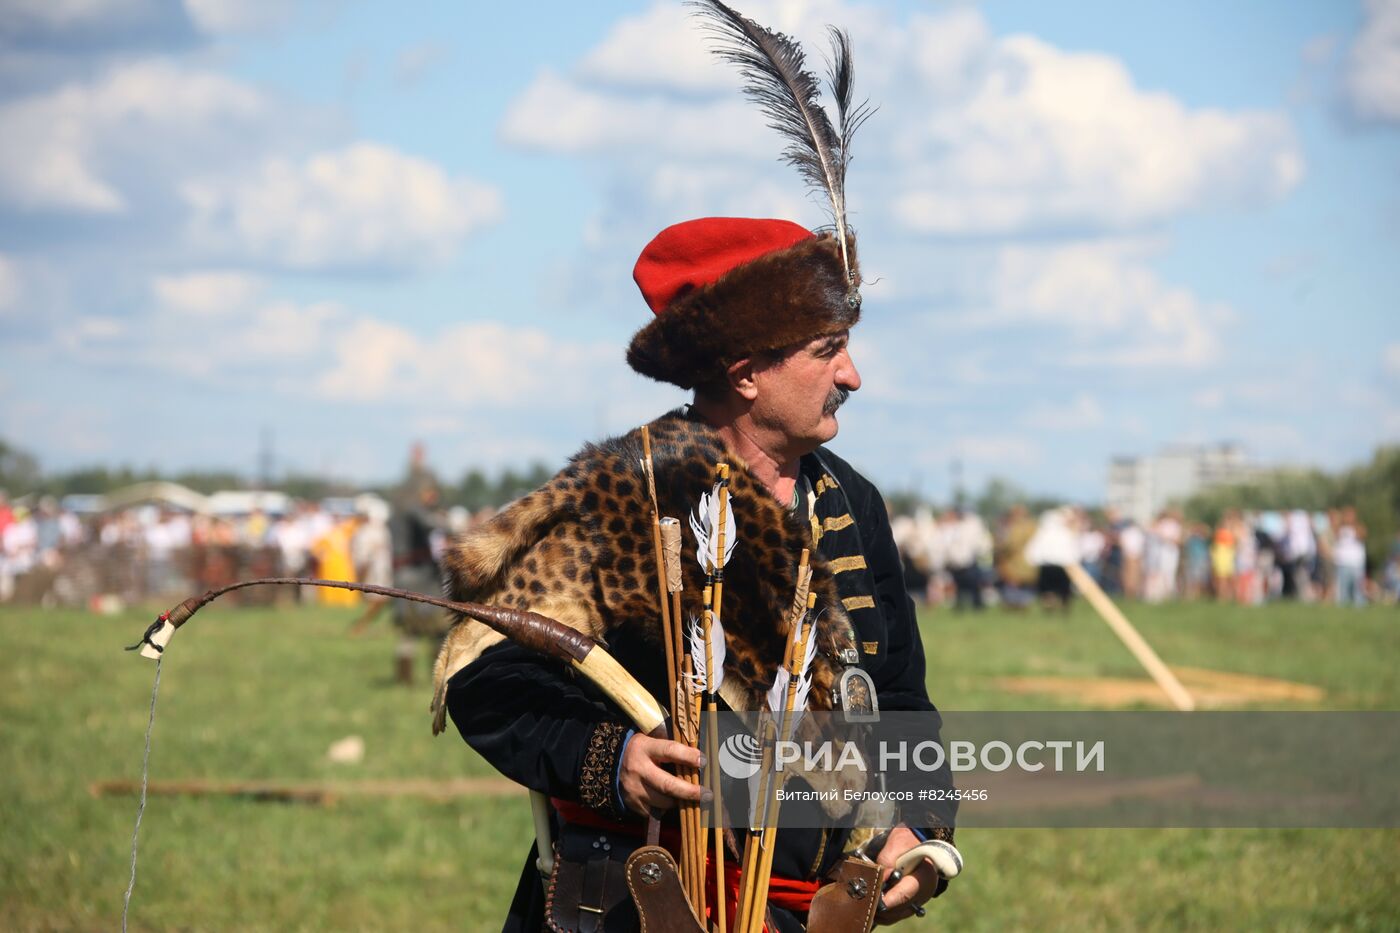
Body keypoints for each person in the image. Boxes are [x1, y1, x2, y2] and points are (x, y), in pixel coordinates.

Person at [433, 215, 955, 931]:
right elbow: (487, 682)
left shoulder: (849, 501)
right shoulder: (622, 493)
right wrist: (613, 760)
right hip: (634, 907)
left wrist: (922, 833)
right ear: (745, 373)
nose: (851, 375)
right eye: (827, 349)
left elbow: (897, 694)